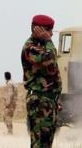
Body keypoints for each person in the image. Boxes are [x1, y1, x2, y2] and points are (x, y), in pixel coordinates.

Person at [21, 14, 62, 148]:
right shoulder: (30, 48)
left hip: (48, 101)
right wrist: (48, 41)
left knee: (46, 144)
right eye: (48, 30)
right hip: (39, 101)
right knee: (38, 144)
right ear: (38, 30)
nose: (51, 34)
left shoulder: (43, 45)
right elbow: (49, 59)